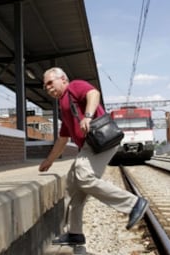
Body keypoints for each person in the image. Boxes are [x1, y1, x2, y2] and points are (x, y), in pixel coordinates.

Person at [39, 67, 148, 245]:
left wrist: (88, 116)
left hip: (99, 141)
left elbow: (93, 93)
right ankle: (75, 234)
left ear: (63, 80)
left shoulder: (74, 86)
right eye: (45, 86)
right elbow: (63, 139)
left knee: (83, 174)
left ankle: (133, 204)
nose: (48, 88)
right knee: (73, 186)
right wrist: (49, 160)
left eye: (51, 83)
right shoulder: (63, 105)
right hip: (91, 146)